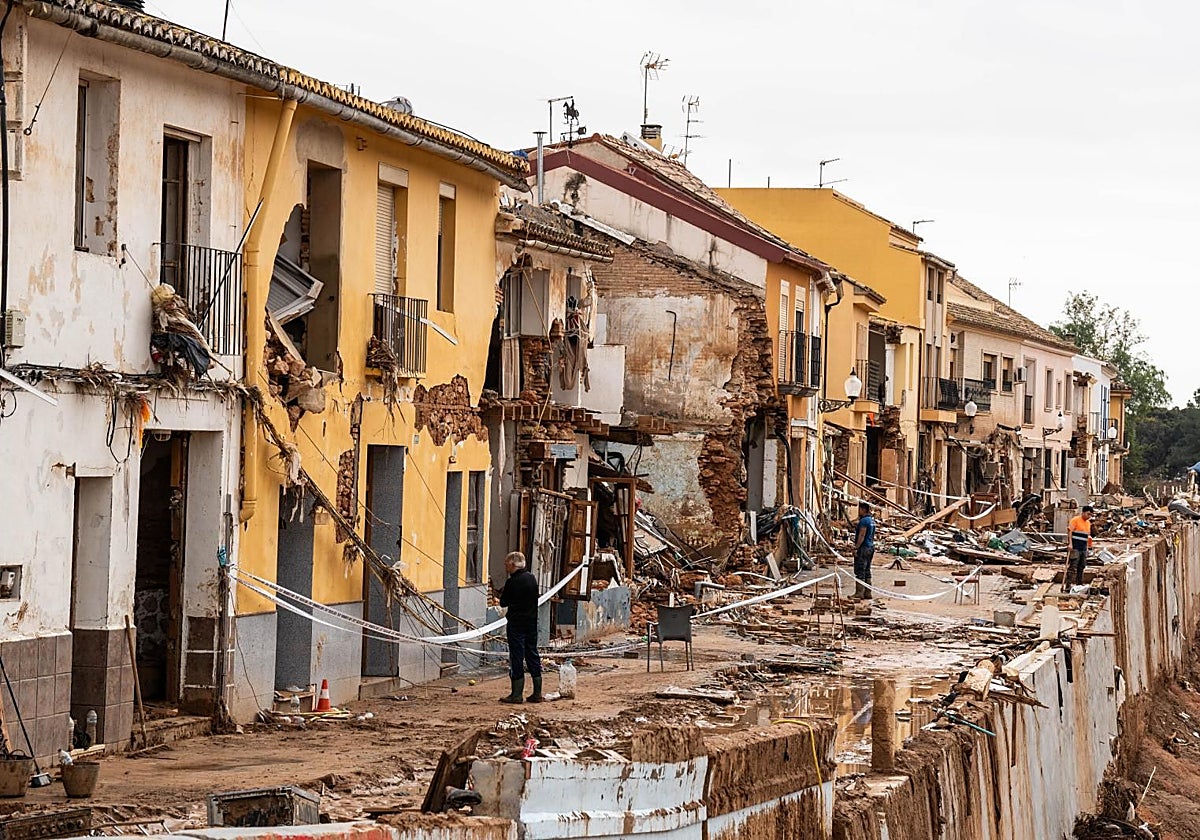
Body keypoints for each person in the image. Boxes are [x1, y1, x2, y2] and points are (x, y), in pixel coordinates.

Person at [499, 551, 543, 704]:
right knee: (532, 653)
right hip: (531, 622)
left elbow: (503, 602)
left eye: (506, 565)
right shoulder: (532, 578)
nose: (505, 567)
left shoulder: (512, 582)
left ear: (512, 565)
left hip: (516, 623)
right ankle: (537, 693)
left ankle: (517, 694)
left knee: (517, 656)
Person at [1066, 505, 1094, 590]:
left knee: (1081, 566)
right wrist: (1070, 543)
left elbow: (1087, 536)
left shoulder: (1088, 523)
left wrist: (1089, 546)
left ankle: (1079, 583)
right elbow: (1069, 532)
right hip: (1075, 547)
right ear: (1083, 512)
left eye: (1091, 515)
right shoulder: (1075, 520)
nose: (1089, 516)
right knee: (1073, 566)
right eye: (1088, 514)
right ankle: (1068, 585)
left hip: (1083, 547)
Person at [853, 502, 876, 600]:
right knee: (867, 570)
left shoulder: (863, 521)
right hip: (870, 547)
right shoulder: (872, 521)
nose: (859, 511)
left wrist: (856, 547)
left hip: (863, 548)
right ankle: (868, 592)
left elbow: (862, 535)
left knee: (860, 570)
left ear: (863, 510)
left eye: (860, 509)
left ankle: (859, 593)